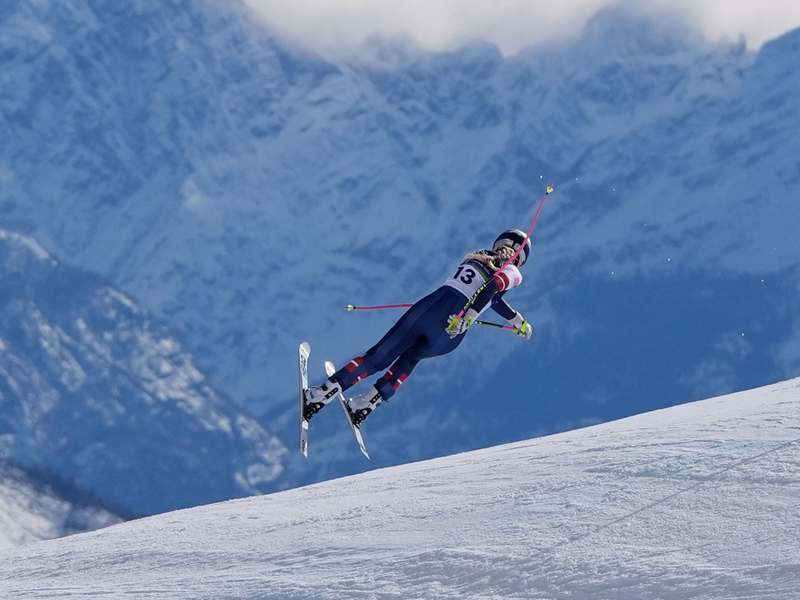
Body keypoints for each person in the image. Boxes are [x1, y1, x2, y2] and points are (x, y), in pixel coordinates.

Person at [303, 229, 533, 426]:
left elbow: (490, 290)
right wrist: (513, 320)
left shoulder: (479, 256)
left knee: (378, 358)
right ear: (520, 258)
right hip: (451, 335)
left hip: (432, 309)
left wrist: (505, 317)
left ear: (499, 243)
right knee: (411, 359)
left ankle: (321, 395)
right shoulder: (513, 272)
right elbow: (493, 292)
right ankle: (367, 403)